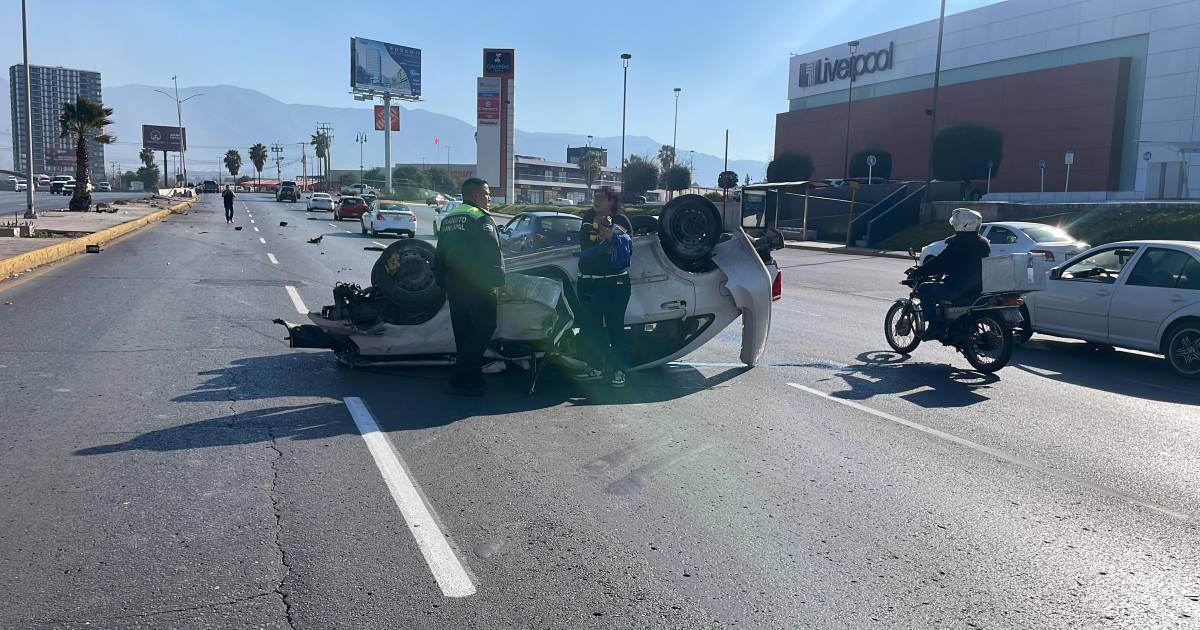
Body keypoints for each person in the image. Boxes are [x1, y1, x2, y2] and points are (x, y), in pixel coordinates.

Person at [433, 178, 505, 396]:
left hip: (454, 282)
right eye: (487, 195)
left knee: (463, 331)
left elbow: (440, 253)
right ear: (475, 196)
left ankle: (473, 377)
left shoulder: (449, 218)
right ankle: (460, 376)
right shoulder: (481, 217)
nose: (490, 199)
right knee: (485, 327)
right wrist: (498, 280)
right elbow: (491, 251)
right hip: (479, 283)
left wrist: (442, 280)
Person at [574, 187, 635, 388]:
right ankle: (596, 367)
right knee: (591, 328)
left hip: (614, 284)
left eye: (601, 198)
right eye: (594, 197)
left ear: (612, 201)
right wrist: (605, 237)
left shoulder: (621, 220)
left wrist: (608, 234)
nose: (596, 201)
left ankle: (618, 370)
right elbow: (585, 244)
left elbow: (625, 248)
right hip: (588, 282)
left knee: (615, 328)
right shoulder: (587, 217)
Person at [912, 208, 991, 325]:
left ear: (963, 225)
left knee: (924, 288)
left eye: (956, 224)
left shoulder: (959, 243)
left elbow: (941, 262)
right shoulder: (983, 242)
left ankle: (934, 325)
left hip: (958, 288)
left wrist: (919, 271)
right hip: (978, 288)